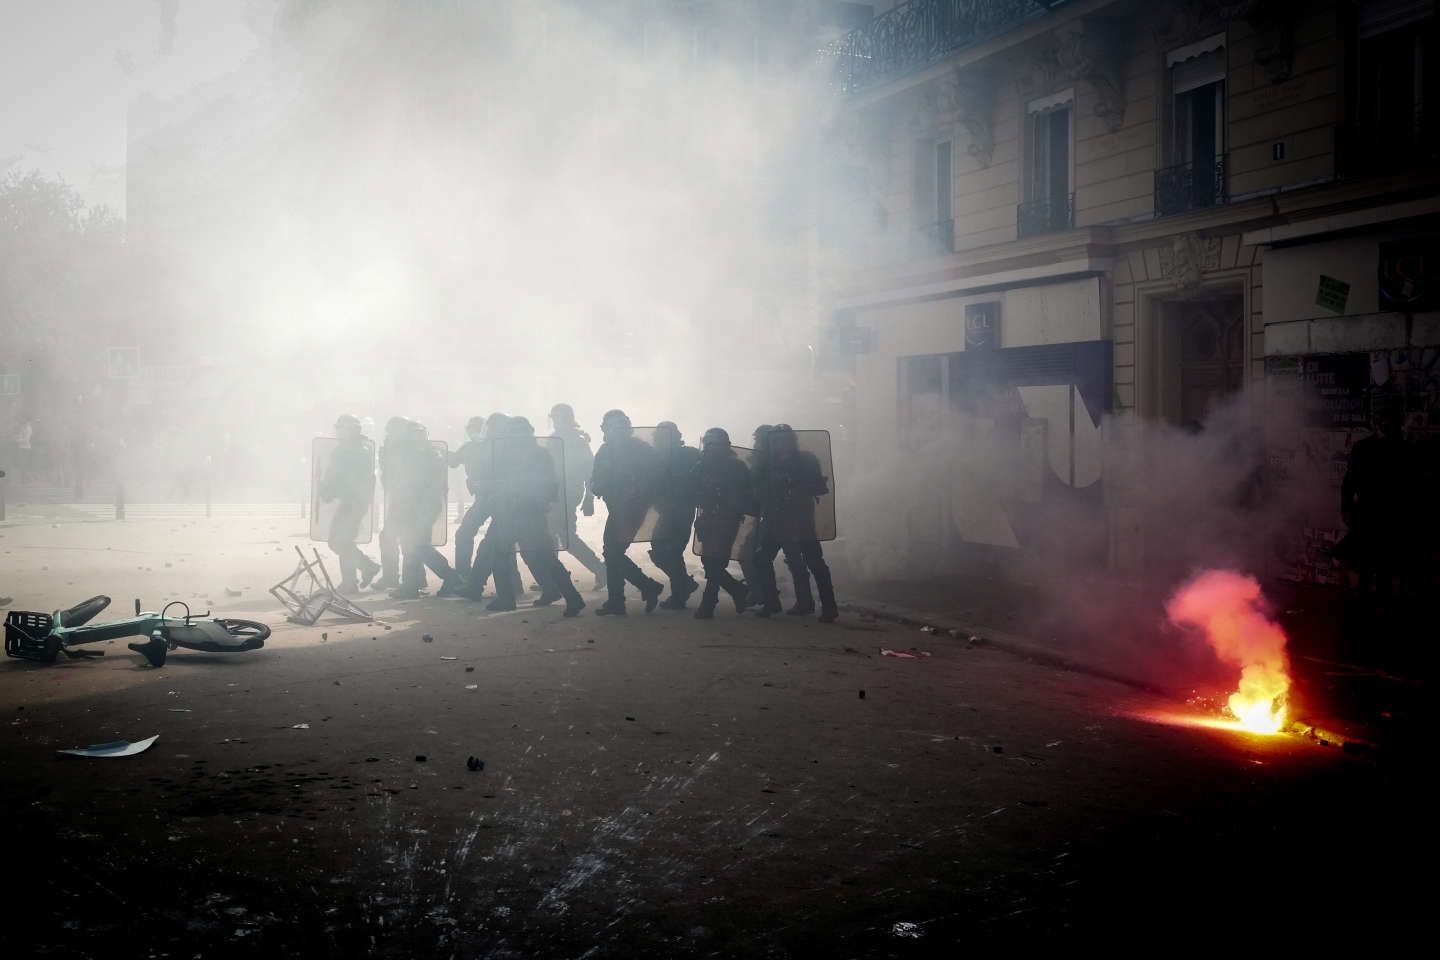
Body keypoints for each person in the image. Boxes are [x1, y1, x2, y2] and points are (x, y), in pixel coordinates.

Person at [489, 416, 586, 616]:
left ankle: (571, 597)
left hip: (529, 513)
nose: (516, 436)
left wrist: (533, 500)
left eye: (519, 432)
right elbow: (498, 483)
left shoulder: (536, 455)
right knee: (504, 554)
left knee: (540, 556)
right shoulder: (516, 455)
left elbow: (550, 485)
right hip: (515, 513)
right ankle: (567, 596)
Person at [760, 425, 838, 623]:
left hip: (800, 520)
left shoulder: (806, 459)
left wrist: (797, 486)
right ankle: (771, 602)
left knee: (814, 563)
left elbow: (821, 488)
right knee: (760, 559)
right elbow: (758, 491)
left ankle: (829, 607)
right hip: (775, 521)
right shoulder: (767, 463)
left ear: (792, 440)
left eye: (784, 439)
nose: (780, 443)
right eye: (776, 440)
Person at [590, 409, 664, 615]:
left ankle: (643, 589)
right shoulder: (605, 451)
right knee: (613, 553)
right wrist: (598, 486)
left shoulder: (641, 450)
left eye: (619, 426)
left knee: (612, 552)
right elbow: (596, 479)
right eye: (611, 427)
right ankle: (623, 598)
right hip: (617, 508)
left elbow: (656, 477)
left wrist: (637, 490)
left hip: (633, 508)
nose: (616, 431)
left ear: (626, 428)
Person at [1339, 401, 1410, 608]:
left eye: (1390, 421)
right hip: (1369, 514)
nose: (1386, 425)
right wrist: (1345, 507)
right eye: (1384, 420)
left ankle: (1380, 606)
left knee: (1384, 567)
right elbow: (1349, 481)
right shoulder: (1364, 448)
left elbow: (1409, 486)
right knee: (1366, 565)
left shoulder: (1402, 449)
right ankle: (1365, 605)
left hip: (1390, 515)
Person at [390, 420, 460, 600]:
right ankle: (410, 586)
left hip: (424, 507)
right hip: (414, 506)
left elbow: (422, 484)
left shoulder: (427, 455)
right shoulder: (413, 454)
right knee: (410, 545)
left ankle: (451, 577)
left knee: (419, 546)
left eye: (418, 434)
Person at [691, 427, 751, 619]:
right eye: (708, 443)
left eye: (715, 444)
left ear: (724, 446)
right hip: (708, 518)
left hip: (728, 518)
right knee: (709, 560)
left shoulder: (736, 467)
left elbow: (745, 493)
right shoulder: (701, 465)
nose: (710, 448)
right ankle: (737, 590)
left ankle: (708, 603)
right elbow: (690, 488)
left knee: (715, 561)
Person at [318, 414, 381, 592]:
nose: (338, 431)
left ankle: (363, 570)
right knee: (343, 541)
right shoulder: (359, 448)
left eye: (340, 428)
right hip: (356, 501)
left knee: (339, 541)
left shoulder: (348, 450)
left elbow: (340, 478)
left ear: (350, 430)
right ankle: (351, 580)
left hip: (352, 501)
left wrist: (328, 490)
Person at [548, 403, 606, 590]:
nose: (556, 420)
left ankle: (601, 570)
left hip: (567, 493)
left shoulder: (577, 440)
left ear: (568, 418)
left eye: (559, 416)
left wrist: (589, 497)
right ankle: (552, 577)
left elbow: (589, 470)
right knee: (550, 535)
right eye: (554, 417)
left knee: (566, 538)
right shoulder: (553, 439)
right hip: (552, 493)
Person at [648, 421, 701, 609]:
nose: (661, 439)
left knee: (671, 553)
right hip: (665, 511)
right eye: (659, 436)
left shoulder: (690, 455)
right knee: (660, 552)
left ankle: (680, 594)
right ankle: (683, 586)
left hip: (682, 511)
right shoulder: (655, 458)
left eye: (665, 435)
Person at [740, 424, 783, 616]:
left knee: (760, 558)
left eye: (760, 439)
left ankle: (767, 598)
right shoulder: (758, 461)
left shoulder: (779, 462)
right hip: (764, 517)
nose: (756, 442)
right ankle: (762, 594)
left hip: (780, 518)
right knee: (751, 556)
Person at [446, 415, 489, 591]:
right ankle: (513, 582)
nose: (473, 432)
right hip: (488, 496)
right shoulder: (492, 446)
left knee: (464, 534)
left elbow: (453, 461)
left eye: (475, 428)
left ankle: (464, 576)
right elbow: (455, 461)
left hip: (486, 497)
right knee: (501, 539)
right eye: (470, 429)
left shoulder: (474, 447)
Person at [374, 416, 410, 590]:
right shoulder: (393, 446)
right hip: (398, 497)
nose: (390, 434)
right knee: (405, 538)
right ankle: (411, 578)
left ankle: (393, 577)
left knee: (396, 537)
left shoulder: (403, 448)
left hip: (405, 498)